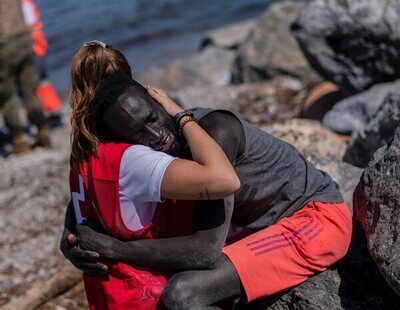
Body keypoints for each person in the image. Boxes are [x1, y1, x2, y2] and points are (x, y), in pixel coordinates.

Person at [61, 42, 352, 309]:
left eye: (153, 119)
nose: (155, 136)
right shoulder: (150, 147)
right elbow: (95, 185)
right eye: (138, 134)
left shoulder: (216, 131)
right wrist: (72, 235)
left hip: (314, 219)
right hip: (268, 226)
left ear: (160, 101)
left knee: (183, 292)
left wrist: (116, 248)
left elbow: (204, 252)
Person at [65, 41, 239, 309]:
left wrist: (68, 236)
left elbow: (85, 207)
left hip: (108, 296)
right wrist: (182, 117)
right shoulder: (133, 159)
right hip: (148, 295)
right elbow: (223, 181)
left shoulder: (83, 155)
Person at [0, 0, 51, 153]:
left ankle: (18, 139)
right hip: (23, 38)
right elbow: (28, 11)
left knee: (6, 96)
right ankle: (42, 130)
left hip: (3, 45)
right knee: (29, 89)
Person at [21, 0, 63, 127]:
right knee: (40, 82)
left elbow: (29, 24)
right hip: (36, 45)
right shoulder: (23, 2)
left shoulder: (23, 3)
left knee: (40, 82)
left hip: (35, 47)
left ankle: (54, 114)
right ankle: (51, 113)